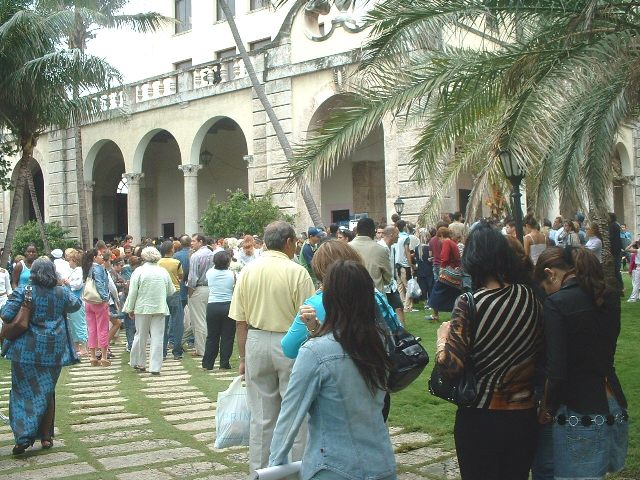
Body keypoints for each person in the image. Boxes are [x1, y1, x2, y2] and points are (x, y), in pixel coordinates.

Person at [269, 260, 396, 479]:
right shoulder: (382, 342)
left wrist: (275, 466)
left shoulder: (316, 352)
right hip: (381, 462)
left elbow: (290, 416)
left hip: (334, 467)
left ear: (329, 299)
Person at [435, 223, 543, 479]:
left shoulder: (470, 302)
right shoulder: (531, 296)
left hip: (481, 415)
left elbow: (451, 366)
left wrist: (442, 340)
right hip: (524, 414)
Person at [533, 247, 628, 479]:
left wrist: (547, 407)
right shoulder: (608, 296)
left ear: (551, 273)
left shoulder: (557, 304)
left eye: (545, 286)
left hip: (579, 409)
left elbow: (557, 370)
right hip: (612, 401)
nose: (547, 292)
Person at [229, 220, 315, 472]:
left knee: (262, 416)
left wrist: (243, 357)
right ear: (289, 243)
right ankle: (299, 470)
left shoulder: (248, 270)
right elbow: (307, 315)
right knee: (297, 413)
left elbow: (240, 321)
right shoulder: (296, 271)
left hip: (256, 341)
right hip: (290, 341)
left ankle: (260, 470)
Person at [1, 258, 81, 454]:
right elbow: (76, 305)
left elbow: (5, 314)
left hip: (25, 351)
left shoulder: (24, 291)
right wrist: (62, 285)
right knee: (47, 391)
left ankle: (23, 436)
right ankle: (46, 437)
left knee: (21, 392)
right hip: (53, 351)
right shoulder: (62, 293)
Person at [123, 247, 175, 374]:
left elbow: (133, 291)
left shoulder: (139, 271)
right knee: (158, 337)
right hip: (160, 307)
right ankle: (155, 367)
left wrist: (130, 308)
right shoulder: (163, 271)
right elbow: (171, 291)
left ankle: (139, 362)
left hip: (142, 307)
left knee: (141, 335)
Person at [202, 251, 236, 370]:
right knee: (228, 336)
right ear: (228, 261)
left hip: (213, 305)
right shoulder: (232, 274)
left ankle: (208, 363)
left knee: (212, 336)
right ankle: (224, 362)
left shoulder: (210, 272)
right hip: (228, 305)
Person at [187, 233, 215, 357]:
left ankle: (202, 350)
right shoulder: (212, 254)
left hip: (199, 288)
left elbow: (192, 278)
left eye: (194, 241)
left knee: (198, 321)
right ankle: (206, 348)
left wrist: (190, 293)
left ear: (201, 242)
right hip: (210, 289)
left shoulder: (195, 256)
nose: (191, 243)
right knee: (206, 320)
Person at [348, 217, 393, 294]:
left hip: (351, 295)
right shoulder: (381, 250)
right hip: (375, 297)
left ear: (357, 231)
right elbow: (388, 278)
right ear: (373, 231)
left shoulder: (346, 248)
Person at [82, 248, 111, 367]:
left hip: (89, 301)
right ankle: (103, 356)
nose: (101, 256)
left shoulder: (86, 268)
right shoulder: (98, 268)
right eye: (99, 255)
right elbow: (100, 283)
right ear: (94, 257)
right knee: (103, 328)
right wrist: (105, 298)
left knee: (92, 329)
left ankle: (93, 356)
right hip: (99, 302)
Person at [428, 227, 461, 322]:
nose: (439, 241)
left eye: (439, 238)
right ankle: (456, 314)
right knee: (453, 294)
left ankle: (435, 315)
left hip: (448, 273)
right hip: (455, 272)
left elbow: (445, 258)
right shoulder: (453, 243)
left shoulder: (446, 242)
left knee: (436, 292)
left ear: (441, 236)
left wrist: (442, 269)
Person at [158, 241, 184, 361]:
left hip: (162, 292)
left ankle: (162, 351)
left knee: (163, 323)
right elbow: (181, 276)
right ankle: (177, 351)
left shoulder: (158, 263)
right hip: (175, 291)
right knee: (177, 322)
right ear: (171, 250)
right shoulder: (177, 263)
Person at [63, 250, 87, 356]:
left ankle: (84, 347)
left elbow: (78, 284)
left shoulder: (79, 271)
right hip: (71, 301)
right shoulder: (74, 271)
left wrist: (68, 283)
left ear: (74, 260)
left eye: (70, 260)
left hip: (77, 300)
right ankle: (76, 346)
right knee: (72, 325)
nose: (68, 263)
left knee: (79, 324)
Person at [414, 228, 434, 310]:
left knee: (423, 287)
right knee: (430, 286)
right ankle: (430, 302)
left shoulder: (417, 248)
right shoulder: (428, 247)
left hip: (420, 270)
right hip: (429, 269)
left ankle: (425, 302)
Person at [609, 212, 624, 292]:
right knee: (616, 270)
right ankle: (620, 287)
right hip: (616, 250)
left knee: (615, 270)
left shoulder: (612, 226)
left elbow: (611, 238)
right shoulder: (616, 225)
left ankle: (620, 287)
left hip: (614, 250)